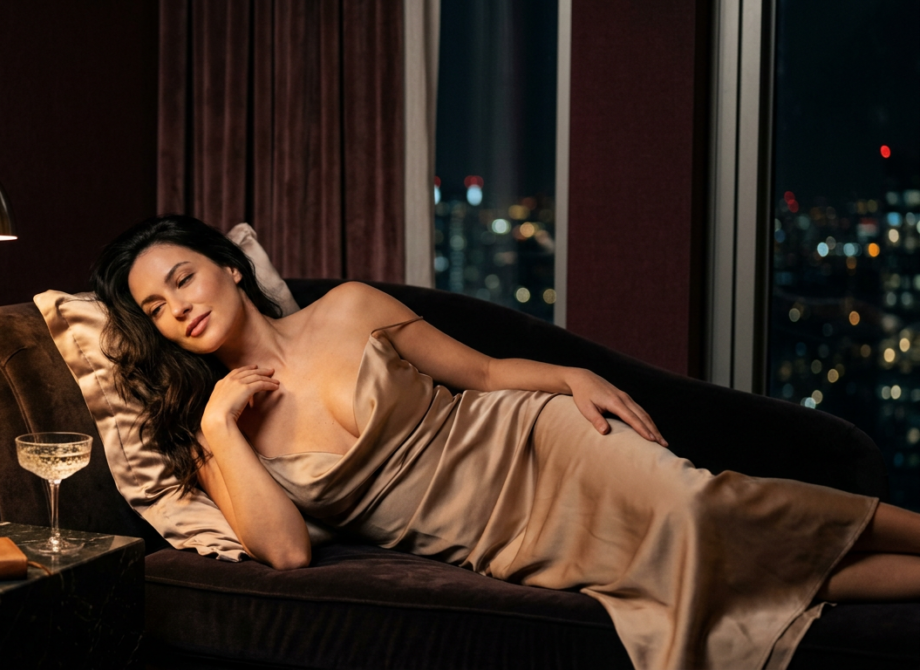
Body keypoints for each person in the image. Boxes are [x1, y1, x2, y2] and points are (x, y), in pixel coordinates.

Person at [92, 215, 920, 670]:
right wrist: (216, 426)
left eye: (183, 280)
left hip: (535, 441)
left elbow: (484, 375)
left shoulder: (346, 306)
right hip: (502, 536)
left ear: (228, 267)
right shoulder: (212, 438)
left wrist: (568, 379)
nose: (179, 309)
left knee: (701, 508)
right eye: (158, 312)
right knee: (725, 566)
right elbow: (286, 554)